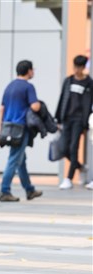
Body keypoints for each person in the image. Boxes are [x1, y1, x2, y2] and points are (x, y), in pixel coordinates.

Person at [0, 60, 42, 202]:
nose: (33, 72)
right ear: (28, 71)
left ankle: (29, 190)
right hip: (21, 128)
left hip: (8, 127)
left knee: (20, 159)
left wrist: (0, 131)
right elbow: (35, 106)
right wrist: (40, 105)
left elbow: (1, 109)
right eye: (32, 69)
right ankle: (4, 191)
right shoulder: (28, 87)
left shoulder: (9, 86)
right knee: (14, 160)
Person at [55, 55, 93, 189]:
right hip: (67, 118)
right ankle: (80, 167)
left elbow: (89, 103)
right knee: (64, 148)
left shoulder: (89, 83)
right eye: (75, 67)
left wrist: (86, 122)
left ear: (83, 67)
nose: (77, 70)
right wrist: (58, 118)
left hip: (79, 120)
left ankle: (69, 178)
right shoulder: (68, 81)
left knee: (73, 148)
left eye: (79, 67)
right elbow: (62, 99)